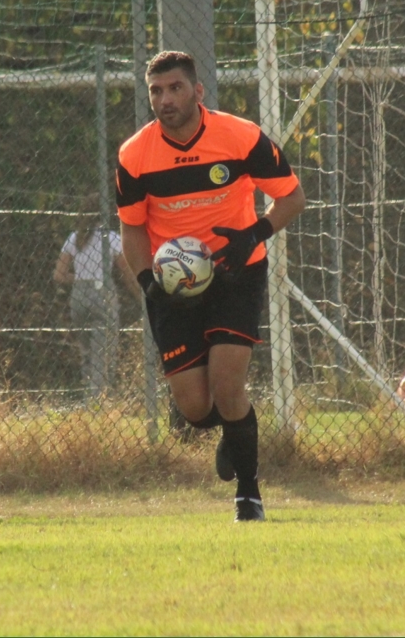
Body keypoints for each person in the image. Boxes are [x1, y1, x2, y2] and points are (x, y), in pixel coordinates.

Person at [115, 51, 306, 522]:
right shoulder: (134, 155)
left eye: (175, 88)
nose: (165, 99)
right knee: (197, 409)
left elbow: (292, 197)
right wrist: (147, 281)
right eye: (156, 91)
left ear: (198, 91)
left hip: (236, 273)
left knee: (227, 385)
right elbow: (132, 229)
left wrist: (254, 235)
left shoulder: (240, 136)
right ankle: (232, 429)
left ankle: (248, 495)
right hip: (174, 288)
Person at [54, 193, 139, 399]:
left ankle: (88, 396)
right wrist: (140, 296)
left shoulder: (75, 238)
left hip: (78, 296)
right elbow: (126, 273)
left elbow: (59, 275)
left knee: (87, 352)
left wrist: (82, 278)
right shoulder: (111, 238)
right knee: (104, 351)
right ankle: (98, 400)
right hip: (103, 295)